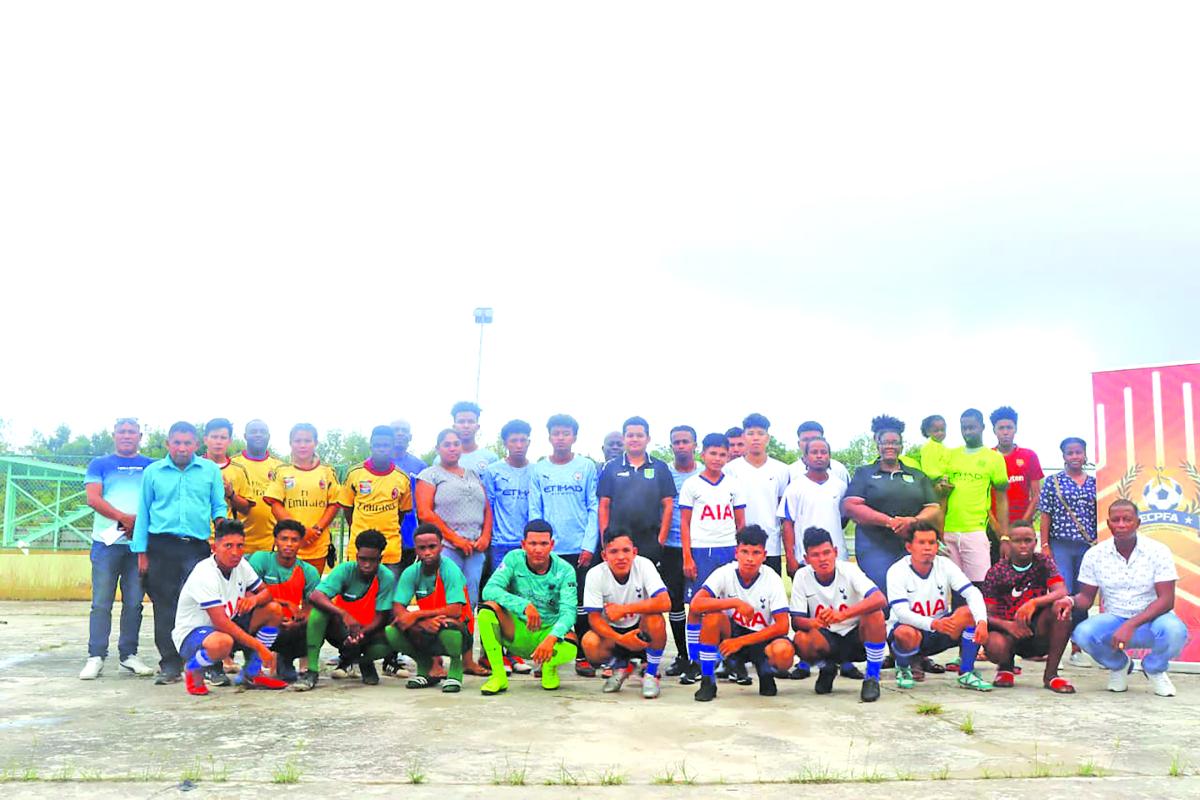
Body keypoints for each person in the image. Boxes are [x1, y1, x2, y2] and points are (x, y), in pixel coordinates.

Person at [1055, 499, 1188, 697]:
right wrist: (1071, 601)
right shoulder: (1095, 555)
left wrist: (1131, 625)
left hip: (1153, 619)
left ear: (1138, 523)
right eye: (1115, 520)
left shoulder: (1158, 551)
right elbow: (1086, 597)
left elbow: (1166, 600)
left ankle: (1153, 668)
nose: (1121, 525)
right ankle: (1120, 665)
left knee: (1176, 631)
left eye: (1127, 519)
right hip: (1115, 619)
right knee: (1082, 634)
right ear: (1108, 524)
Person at [132, 421, 227, 684]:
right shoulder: (153, 472)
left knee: (205, 606)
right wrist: (141, 552)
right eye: (177, 442)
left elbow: (218, 505)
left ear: (196, 445)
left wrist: (223, 529)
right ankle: (170, 665)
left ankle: (210, 664)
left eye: (188, 443)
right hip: (161, 546)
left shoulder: (209, 471)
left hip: (197, 547)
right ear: (168, 444)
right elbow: (144, 512)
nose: (182, 448)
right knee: (165, 607)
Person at [173, 520, 288, 696]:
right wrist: (260, 647)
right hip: (194, 634)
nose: (235, 552)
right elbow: (220, 622)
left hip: (227, 627)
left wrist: (254, 600)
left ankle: (252, 671)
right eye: (228, 546)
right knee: (222, 642)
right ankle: (193, 667)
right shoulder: (204, 573)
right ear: (214, 547)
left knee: (274, 610)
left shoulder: (241, 564)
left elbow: (266, 593)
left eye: (240, 546)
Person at [80, 417, 156, 680]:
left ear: (139, 436)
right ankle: (96, 656)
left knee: (134, 603)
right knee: (101, 602)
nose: (126, 436)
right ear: (113, 435)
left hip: (138, 545)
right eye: (122, 431)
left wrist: (139, 523)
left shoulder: (151, 466)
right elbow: (93, 498)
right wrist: (123, 518)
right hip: (106, 543)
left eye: (131, 432)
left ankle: (129, 655)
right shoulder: (100, 464)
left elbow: (156, 499)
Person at [527, 414, 600, 677]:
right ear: (549, 436)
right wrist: (538, 546)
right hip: (549, 550)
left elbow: (593, 507)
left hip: (579, 548)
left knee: (579, 604)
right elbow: (535, 509)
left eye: (566, 433)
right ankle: (544, 656)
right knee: (547, 605)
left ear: (574, 437)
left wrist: (589, 545)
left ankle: (581, 655)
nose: (561, 438)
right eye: (556, 433)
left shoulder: (587, 467)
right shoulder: (539, 469)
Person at [416, 429, 492, 677]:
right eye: (446, 444)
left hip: (474, 550)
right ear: (438, 448)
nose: (452, 448)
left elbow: (486, 508)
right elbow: (425, 513)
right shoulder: (430, 475)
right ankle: (435, 660)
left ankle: (467, 658)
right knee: (441, 603)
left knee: (468, 604)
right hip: (446, 550)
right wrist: (455, 539)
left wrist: (484, 537)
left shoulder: (471, 474)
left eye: (456, 444)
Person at [688, 525, 793, 701]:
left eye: (756, 553)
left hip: (760, 639)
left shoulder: (772, 579)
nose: (750, 559)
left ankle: (766, 671)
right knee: (713, 617)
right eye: (745, 552)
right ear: (736, 553)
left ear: (764, 556)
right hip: (732, 634)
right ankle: (707, 680)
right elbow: (696, 604)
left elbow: (783, 626)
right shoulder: (724, 573)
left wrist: (741, 641)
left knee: (784, 652)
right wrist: (735, 602)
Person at [885, 522, 992, 691]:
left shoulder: (945, 564)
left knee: (968, 614)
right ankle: (903, 667)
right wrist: (932, 624)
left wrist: (982, 622)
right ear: (909, 547)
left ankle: (966, 673)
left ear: (937, 546)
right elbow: (901, 612)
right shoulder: (897, 571)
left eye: (932, 542)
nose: (927, 547)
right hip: (912, 630)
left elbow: (972, 593)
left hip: (940, 628)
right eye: (921, 543)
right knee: (904, 632)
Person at [477, 520, 580, 695]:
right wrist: (524, 606)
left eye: (543, 543)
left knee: (571, 647)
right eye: (532, 543)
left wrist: (552, 637)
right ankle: (498, 675)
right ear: (523, 544)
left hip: (546, 633)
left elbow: (569, 612)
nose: (538, 549)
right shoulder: (513, 558)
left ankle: (549, 667)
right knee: (486, 611)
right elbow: (489, 590)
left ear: (552, 545)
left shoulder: (565, 570)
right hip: (517, 629)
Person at [790, 527, 887, 702]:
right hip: (827, 637)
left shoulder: (849, 570)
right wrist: (815, 622)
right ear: (806, 559)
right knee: (801, 639)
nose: (822, 559)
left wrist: (843, 615)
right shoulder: (802, 576)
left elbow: (879, 598)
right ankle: (826, 667)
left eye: (826, 553)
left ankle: (872, 677)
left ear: (835, 552)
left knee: (875, 615)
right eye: (815, 555)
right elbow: (796, 621)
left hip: (855, 635)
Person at [293, 529, 398, 691]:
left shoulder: (386, 577)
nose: (367, 565)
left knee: (395, 631)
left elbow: (382, 616)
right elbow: (315, 596)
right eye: (363, 559)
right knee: (318, 613)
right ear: (356, 557)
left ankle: (364, 661)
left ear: (380, 559)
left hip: (368, 632)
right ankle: (311, 671)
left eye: (372, 560)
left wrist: (362, 634)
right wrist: (344, 614)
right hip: (342, 630)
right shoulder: (345, 570)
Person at [679, 433, 746, 685]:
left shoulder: (734, 485)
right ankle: (696, 661)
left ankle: (731, 660)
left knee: (730, 606)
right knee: (698, 606)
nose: (717, 459)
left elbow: (740, 521)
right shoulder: (692, 485)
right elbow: (684, 523)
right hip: (701, 550)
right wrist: (687, 556)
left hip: (728, 549)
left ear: (728, 456)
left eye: (722, 454)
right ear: (703, 455)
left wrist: (740, 552)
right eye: (713, 453)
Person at [980, 522, 1073, 692]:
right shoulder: (996, 572)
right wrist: (1008, 625)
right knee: (995, 645)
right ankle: (1005, 667)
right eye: (1017, 541)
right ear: (1008, 544)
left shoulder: (1043, 562)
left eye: (1028, 540)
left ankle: (1051, 676)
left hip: (1036, 628)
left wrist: (1033, 603)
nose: (1023, 545)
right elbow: (985, 615)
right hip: (1007, 631)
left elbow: (1061, 591)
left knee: (1061, 610)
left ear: (1035, 542)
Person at [581, 529, 671, 698]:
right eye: (614, 551)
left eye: (626, 550)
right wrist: (622, 639)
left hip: (642, 632)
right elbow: (593, 619)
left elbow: (665, 602)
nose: (621, 557)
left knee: (656, 620)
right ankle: (621, 666)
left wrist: (624, 609)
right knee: (589, 642)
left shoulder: (644, 565)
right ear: (604, 555)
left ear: (634, 552)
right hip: (615, 634)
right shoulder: (595, 574)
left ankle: (651, 673)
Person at [386, 523, 474, 693]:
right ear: (416, 550)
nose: (427, 552)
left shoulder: (450, 569)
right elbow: (398, 607)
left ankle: (455, 671)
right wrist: (421, 622)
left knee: (447, 625)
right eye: (422, 548)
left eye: (432, 547)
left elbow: (455, 610)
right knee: (392, 631)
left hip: (458, 627)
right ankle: (425, 668)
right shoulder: (411, 572)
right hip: (428, 626)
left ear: (441, 547)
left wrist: (418, 615)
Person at [1039, 436, 1096, 665]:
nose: (1075, 457)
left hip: (1088, 547)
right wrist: (1044, 545)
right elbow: (1045, 514)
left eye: (1078, 452)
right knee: (1063, 593)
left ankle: (1077, 648)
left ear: (1085, 455)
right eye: (1070, 453)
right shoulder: (1053, 482)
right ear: (1063, 456)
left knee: (1083, 595)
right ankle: (1056, 649)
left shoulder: (1095, 483)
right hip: (1060, 544)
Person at [245, 519, 321, 682]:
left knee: (318, 622)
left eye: (294, 540)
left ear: (301, 543)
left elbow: (310, 608)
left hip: (289, 627)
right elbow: (249, 596)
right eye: (284, 539)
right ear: (275, 541)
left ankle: (286, 661)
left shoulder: (309, 571)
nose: (288, 544)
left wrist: (299, 621)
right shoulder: (260, 559)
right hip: (264, 621)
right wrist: (283, 604)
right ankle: (252, 665)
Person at [941, 408, 1009, 588]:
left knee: (978, 588)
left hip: (975, 531)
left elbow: (1002, 500)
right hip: (948, 531)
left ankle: (978, 618)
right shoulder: (950, 455)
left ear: (983, 427)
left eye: (972, 427)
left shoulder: (994, 458)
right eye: (964, 428)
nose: (968, 432)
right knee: (955, 589)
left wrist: (1004, 536)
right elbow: (940, 496)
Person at [263, 423, 341, 576]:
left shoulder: (327, 472)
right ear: (291, 443)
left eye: (307, 441)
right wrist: (300, 531)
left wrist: (316, 530)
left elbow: (334, 504)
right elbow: (275, 504)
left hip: (317, 543)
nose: (302, 445)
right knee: (287, 591)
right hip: (289, 543)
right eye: (298, 441)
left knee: (312, 593)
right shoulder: (282, 471)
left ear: (315, 443)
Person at [598, 416, 676, 563]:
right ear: (624, 438)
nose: (635, 439)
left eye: (639, 435)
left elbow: (668, 505)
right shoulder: (611, 467)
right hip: (617, 541)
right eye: (630, 435)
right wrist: (605, 540)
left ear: (648, 438)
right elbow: (603, 506)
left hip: (650, 542)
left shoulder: (660, 467)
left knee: (649, 585)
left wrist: (661, 540)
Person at [338, 426, 413, 575]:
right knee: (357, 594)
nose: (381, 449)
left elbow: (402, 512)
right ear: (371, 446)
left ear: (392, 447)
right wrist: (357, 529)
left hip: (390, 548)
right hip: (359, 548)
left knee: (387, 593)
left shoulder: (402, 478)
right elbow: (348, 508)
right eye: (377, 445)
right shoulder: (355, 474)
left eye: (386, 445)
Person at [722, 413, 790, 574]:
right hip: (739, 543)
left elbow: (783, 510)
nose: (756, 438)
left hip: (770, 544)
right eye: (751, 434)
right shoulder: (730, 470)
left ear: (768, 438)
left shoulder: (781, 469)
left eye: (760, 434)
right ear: (744, 437)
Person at [662, 425, 700, 676]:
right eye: (676, 442)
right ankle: (683, 655)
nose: (681, 446)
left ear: (695, 445)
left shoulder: (706, 472)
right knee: (675, 603)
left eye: (686, 441)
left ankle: (706, 655)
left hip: (702, 545)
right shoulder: (664, 473)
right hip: (671, 547)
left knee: (703, 603)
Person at [780, 436, 848, 575]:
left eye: (823, 452)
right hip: (805, 558)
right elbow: (787, 525)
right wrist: (790, 557)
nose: (819, 456)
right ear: (805, 457)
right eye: (814, 452)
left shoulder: (840, 486)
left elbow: (844, 519)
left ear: (829, 457)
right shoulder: (794, 487)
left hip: (837, 556)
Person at [990, 406, 1043, 560]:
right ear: (994, 430)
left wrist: (1021, 525)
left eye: (1009, 427)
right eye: (1001, 428)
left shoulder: (1029, 456)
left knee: (1024, 573)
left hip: (1023, 529)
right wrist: (1000, 531)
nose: (1005, 432)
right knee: (996, 573)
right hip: (995, 530)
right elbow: (984, 500)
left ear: (1015, 429)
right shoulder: (988, 457)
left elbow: (1036, 496)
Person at [481, 420, 532, 572]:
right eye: (514, 441)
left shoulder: (536, 471)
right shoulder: (493, 471)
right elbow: (487, 506)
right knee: (500, 588)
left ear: (529, 442)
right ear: (505, 443)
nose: (519, 445)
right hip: (500, 543)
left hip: (528, 543)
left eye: (523, 440)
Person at [229, 419, 284, 555]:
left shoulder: (280, 468)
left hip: (271, 546)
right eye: (253, 432)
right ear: (245, 436)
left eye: (262, 432)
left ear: (269, 436)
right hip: (237, 545)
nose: (258, 435)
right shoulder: (232, 465)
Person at [391, 418, 429, 570]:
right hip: (381, 532)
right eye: (396, 430)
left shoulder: (420, 466)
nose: (400, 434)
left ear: (410, 437)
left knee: (403, 582)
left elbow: (425, 504)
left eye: (404, 430)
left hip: (409, 534)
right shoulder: (375, 464)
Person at [202, 418, 252, 520]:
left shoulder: (239, 470)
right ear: (205, 440)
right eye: (214, 437)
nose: (218, 442)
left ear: (229, 441)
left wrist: (231, 494)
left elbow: (247, 509)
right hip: (198, 533)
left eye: (223, 437)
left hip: (227, 533)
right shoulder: (193, 467)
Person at [451, 400, 497, 473]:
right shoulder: (441, 460)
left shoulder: (491, 458)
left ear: (477, 426)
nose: (466, 426)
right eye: (461, 421)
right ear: (454, 426)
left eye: (471, 421)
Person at [900, 415, 949, 482]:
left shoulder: (942, 446)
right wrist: (940, 477)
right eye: (936, 431)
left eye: (943, 430)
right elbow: (929, 470)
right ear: (928, 432)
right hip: (937, 482)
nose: (940, 433)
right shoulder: (929, 447)